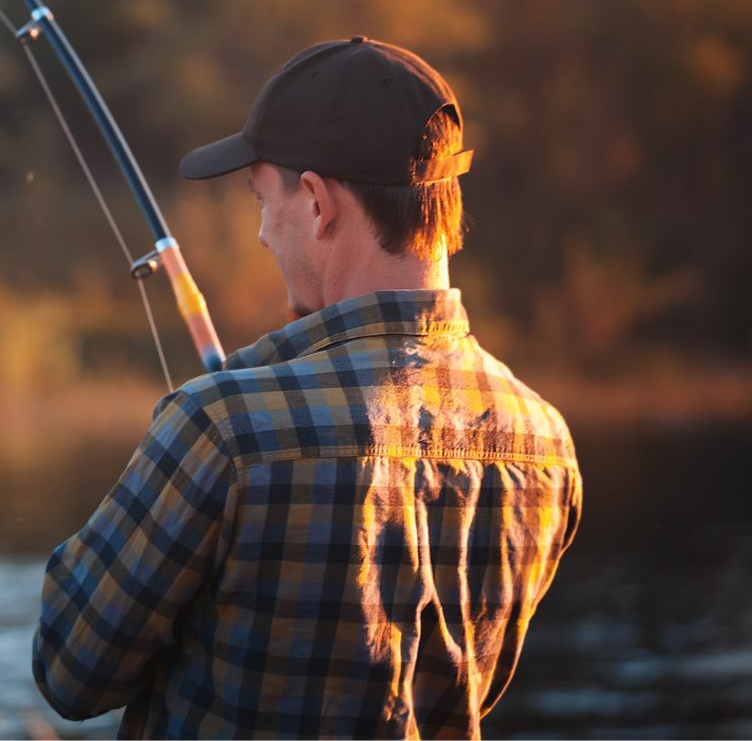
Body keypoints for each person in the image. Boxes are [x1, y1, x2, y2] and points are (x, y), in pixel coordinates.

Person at [32, 37, 582, 738]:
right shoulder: (547, 442)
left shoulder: (220, 426)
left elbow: (69, 672)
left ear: (318, 202)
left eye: (263, 200)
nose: (263, 232)